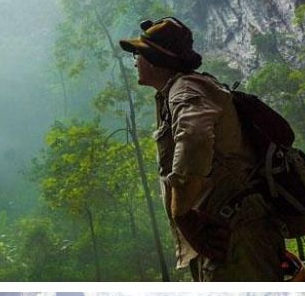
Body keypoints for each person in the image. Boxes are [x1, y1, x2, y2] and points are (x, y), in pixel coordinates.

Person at [121, 16, 283, 281]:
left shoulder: (184, 89)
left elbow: (194, 138)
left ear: (153, 59)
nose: (135, 62)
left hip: (233, 231)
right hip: (226, 230)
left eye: (137, 55)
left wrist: (182, 215)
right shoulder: (181, 90)